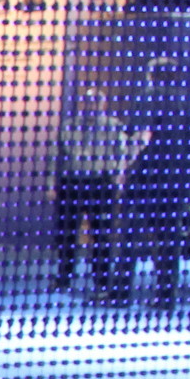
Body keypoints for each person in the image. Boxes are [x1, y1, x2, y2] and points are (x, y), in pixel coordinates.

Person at [122, 56, 190, 310]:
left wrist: (125, 169)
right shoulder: (189, 102)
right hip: (178, 182)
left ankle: (121, 294)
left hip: (147, 178)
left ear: (152, 75)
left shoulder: (149, 97)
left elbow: (140, 135)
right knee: (168, 240)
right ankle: (166, 296)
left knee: (129, 235)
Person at [54, 86, 121, 291]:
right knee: (67, 234)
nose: (92, 106)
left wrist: (115, 180)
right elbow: (57, 158)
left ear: (103, 105)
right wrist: (52, 184)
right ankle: (64, 277)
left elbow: (120, 157)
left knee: (101, 234)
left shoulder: (113, 127)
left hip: (100, 184)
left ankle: (101, 281)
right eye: (89, 102)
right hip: (72, 184)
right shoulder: (69, 127)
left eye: (96, 102)